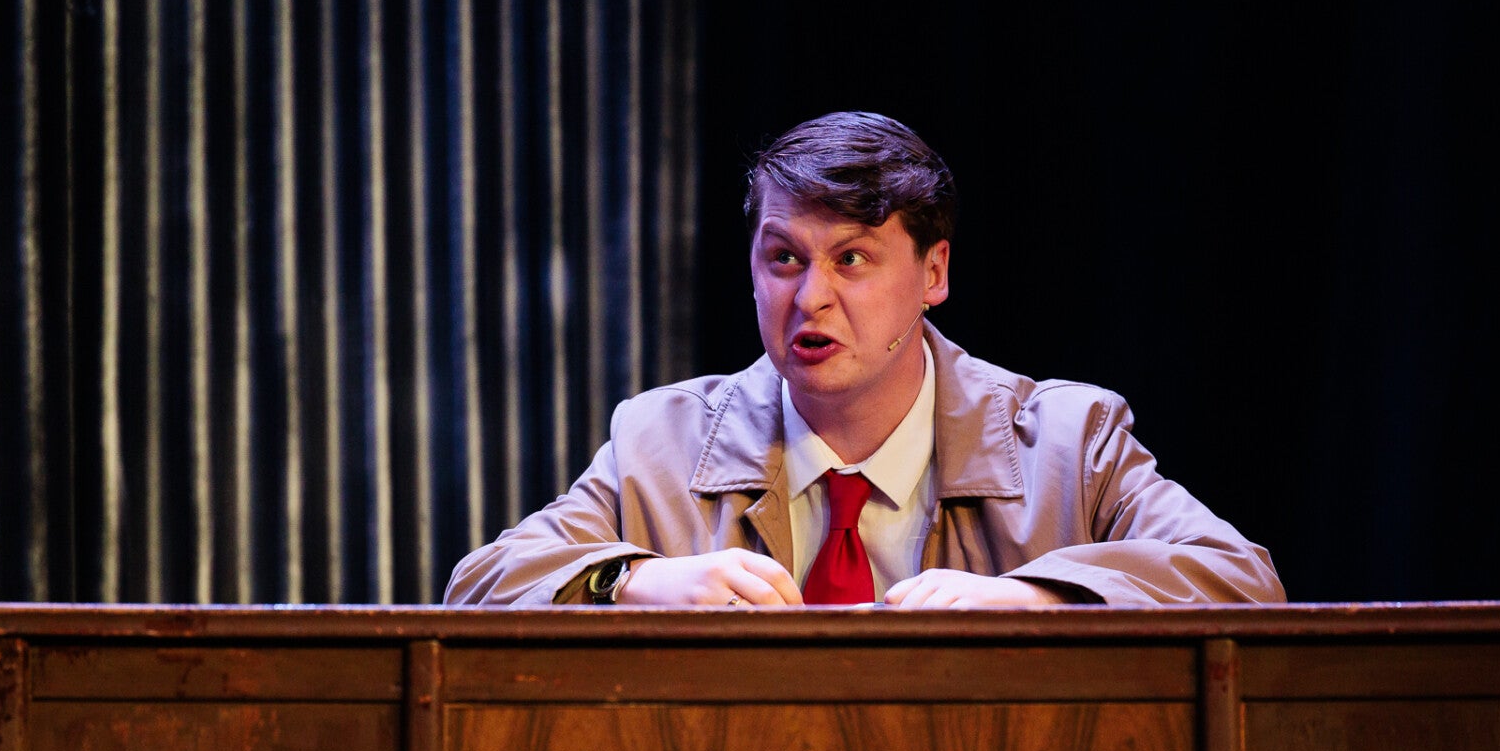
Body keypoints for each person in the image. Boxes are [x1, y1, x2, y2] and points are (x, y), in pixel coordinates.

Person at [444, 111, 1283, 608]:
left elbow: (1238, 576)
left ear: (933, 274)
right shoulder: (660, 441)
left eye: (851, 259)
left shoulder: (1068, 440)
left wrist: (1032, 598)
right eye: (783, 258)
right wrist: (630, 582)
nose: (809, 297)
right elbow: (482, 581)